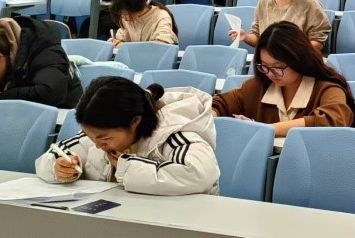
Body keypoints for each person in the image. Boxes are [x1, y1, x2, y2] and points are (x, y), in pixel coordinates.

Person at [36, 77, 220, 196]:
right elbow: (54, 154)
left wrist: (128, 168)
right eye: (90, 136)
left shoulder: (176, 136)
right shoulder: (97, 135)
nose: (97, 145)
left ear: (135, 122)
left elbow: (200, 175)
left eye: (104, 139)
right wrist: (57, 167)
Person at [213, 22, 355, 136]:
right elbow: (221, 103)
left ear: (299, 60)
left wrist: (266, 129)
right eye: (264, 66)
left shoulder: (326, 89)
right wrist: (212, 115)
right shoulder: (258, 86)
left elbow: (334, 120)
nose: (271, 73)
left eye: (278, 67)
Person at [107, 0, 178, 48]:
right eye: (121, 14)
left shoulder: (161, 16)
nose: (124, 18)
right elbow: (122, 38)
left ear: (135, 8)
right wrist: (116, 43)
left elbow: (163, 45)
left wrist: (128, 47)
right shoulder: (126, 17)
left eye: (125, 14)